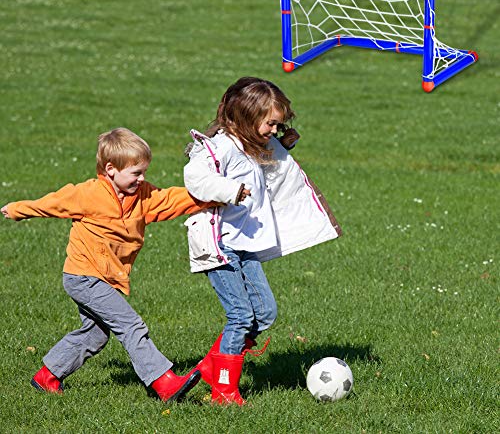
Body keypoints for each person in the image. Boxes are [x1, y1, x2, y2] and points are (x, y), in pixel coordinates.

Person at [1, 127, 214, 403]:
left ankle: (48, 376)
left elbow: (172, 200)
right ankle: (163, 383)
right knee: (131, 325)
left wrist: (217, 194)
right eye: (136, 173)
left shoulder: (143, 197)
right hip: (84, 275)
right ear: (111, 169)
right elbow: (52, 203)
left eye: (144, 172)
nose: (142, 179)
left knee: (94, 336)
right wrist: (18, 210)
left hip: (106, 278)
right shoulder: (89, 194)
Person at [183, 77, 342, 405]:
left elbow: (266, 167)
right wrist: (230, 191)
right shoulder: (221, 146)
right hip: (219, 241)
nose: (274, 129)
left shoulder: (252, 144)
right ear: (244, 116)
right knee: (241, 315)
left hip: (244, 244)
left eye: (278, 124)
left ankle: (214, 365)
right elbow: (195, 177)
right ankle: (224, 389)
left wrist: (285, 143)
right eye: (270, 123)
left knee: (265, 313)